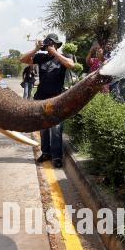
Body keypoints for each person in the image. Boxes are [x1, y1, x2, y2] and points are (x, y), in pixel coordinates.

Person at [20, 33, 75, 168]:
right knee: (44, 128)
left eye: (52, 44)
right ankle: (46, 153)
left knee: (56, 129)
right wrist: (35, 49)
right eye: (48, 44)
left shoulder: (64, 57)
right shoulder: (41, 57)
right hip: (41, 98)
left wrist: (55, 53)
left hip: (57, 99)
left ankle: (56, 157)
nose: (49, 46)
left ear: (56, 45)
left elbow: (71, 65)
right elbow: (23, 60)